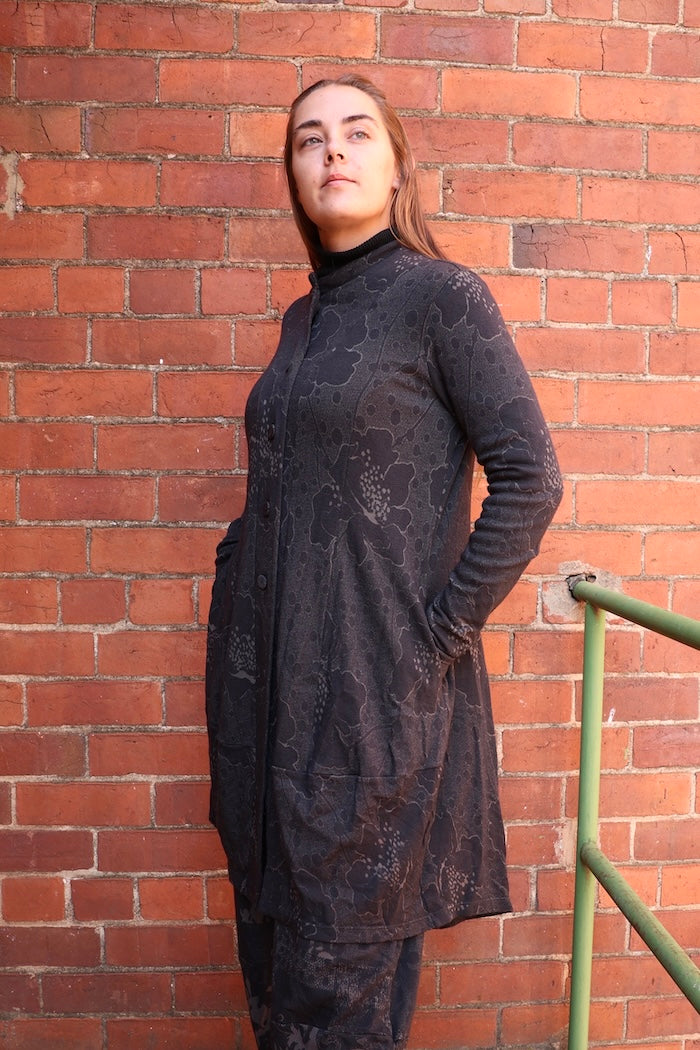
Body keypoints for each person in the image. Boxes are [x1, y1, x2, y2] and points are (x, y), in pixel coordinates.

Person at [205, 73, 563, 1050]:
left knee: (337, 1006)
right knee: (277, 986)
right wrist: (238, 564)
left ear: (398, 166)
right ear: (292, 173)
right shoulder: (302, 319)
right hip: (264, 705)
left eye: (357, 133)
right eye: (308, 138)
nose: (331, 150)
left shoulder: (441, 298)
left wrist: (435, 638)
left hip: (371, 708)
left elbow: (530, 478)